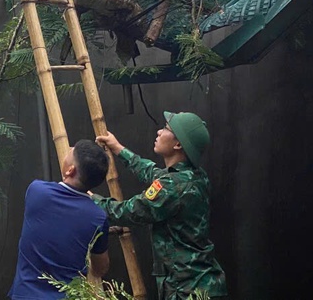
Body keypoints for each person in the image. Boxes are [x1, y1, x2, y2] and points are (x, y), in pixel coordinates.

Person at [94, 112, 228, 300]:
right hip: (201, 282)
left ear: (178, 144)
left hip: (187, 290)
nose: (158, 131)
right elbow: (154, 174)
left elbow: (131, 211)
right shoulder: (194, 176)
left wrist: (92, 201)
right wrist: (119, 149)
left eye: (166, 128)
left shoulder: (173, 187)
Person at [8, 139, 111, 299]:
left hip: (25, 294)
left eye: (71, 152)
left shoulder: (36, 191)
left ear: (70, 170)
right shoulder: (98, 217)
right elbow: (100, 268)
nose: (68, 150)